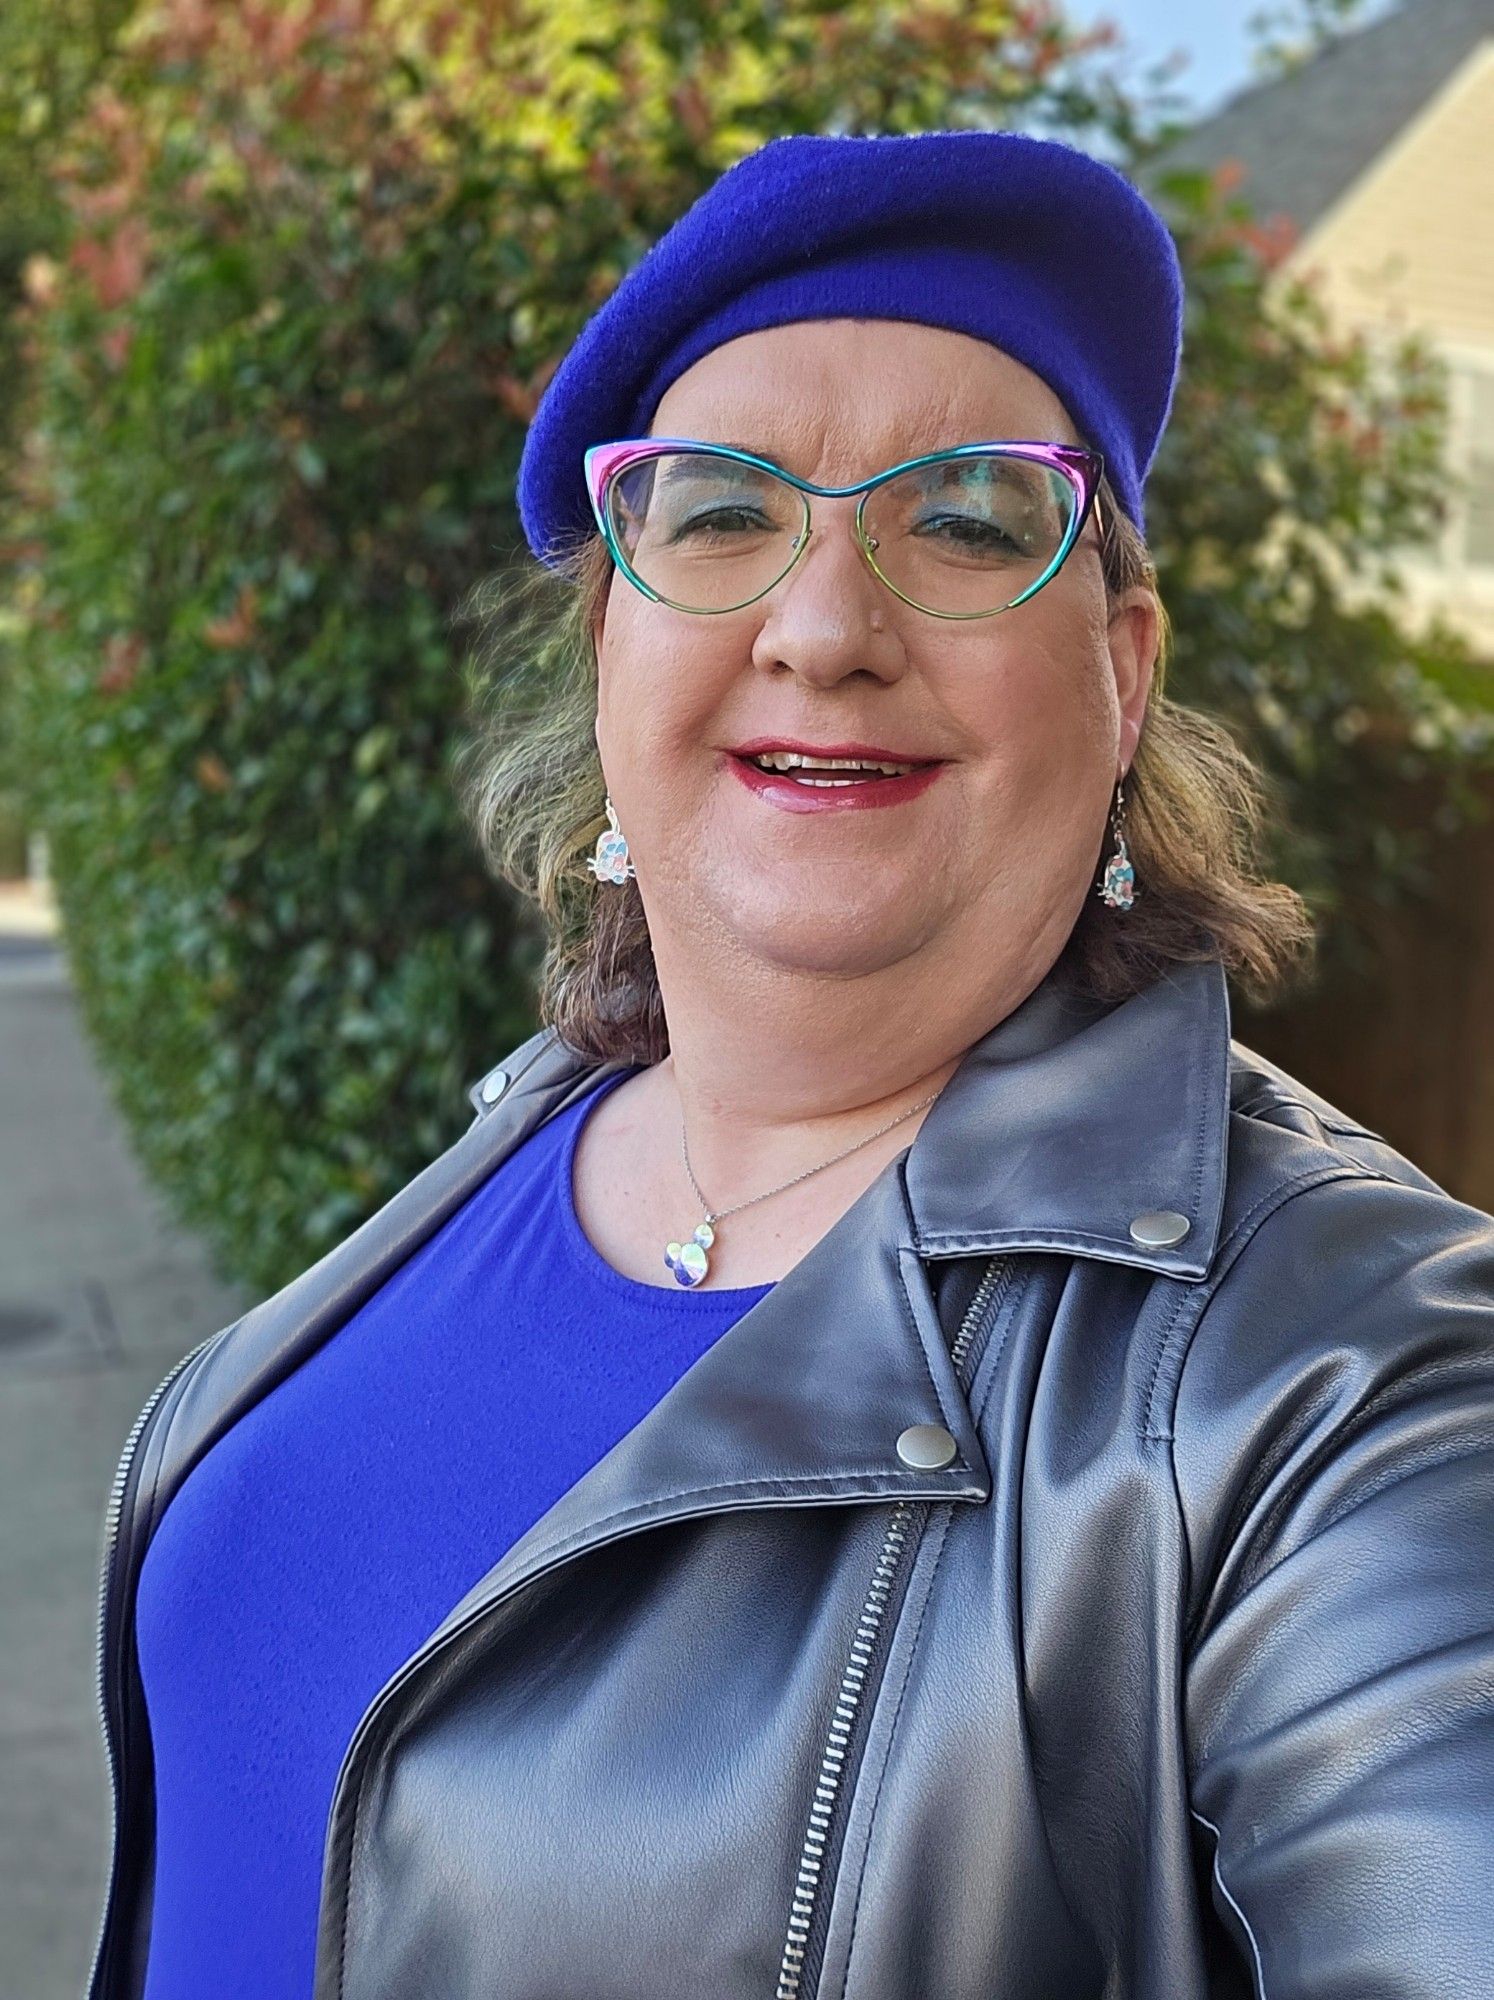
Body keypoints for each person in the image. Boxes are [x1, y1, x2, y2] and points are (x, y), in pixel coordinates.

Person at [87, 130, 1494, 2000]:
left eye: (971, 521)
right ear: (612, 640)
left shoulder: (1342, 1367)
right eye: (721, 513)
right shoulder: (529, 1128)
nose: (826, 628)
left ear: (1123, 673)